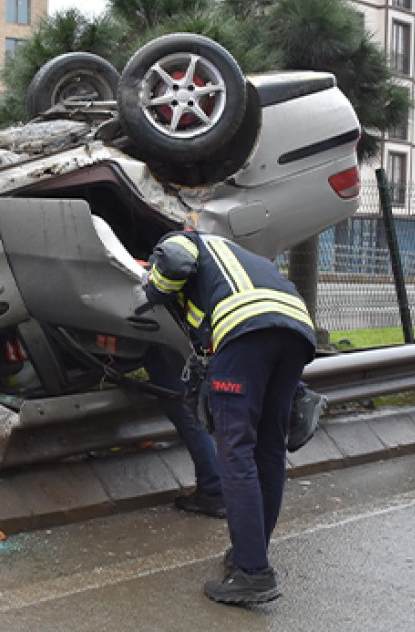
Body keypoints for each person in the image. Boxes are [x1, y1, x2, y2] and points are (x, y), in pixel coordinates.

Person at [141, 230, 315, 605]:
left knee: (235, 452)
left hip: (245, 331)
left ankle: (252, 573)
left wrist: (151, 286)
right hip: (296, 328)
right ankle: (250, 555)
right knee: (269, 450)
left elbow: (174, 261)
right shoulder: (236, 254)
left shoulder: (187, 238)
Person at [142, 346, 225, 517]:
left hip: (163, 339)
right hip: (188, 342)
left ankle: (213, 489)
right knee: (191, 408)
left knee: (183, 408)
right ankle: (218, 486)